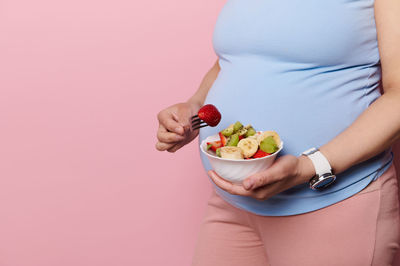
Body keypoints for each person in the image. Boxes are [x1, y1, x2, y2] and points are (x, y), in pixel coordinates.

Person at [155, 0, 400, 265]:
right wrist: (194, 109)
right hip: (231, 204)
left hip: (333, 203)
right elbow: (238, 56)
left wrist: (310, 166)